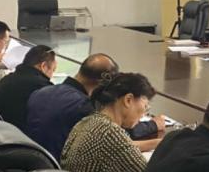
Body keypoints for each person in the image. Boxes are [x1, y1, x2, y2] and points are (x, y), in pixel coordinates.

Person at [25, 53, 161, 159]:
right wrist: (153, 126)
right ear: (105, 81)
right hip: (60, 168)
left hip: (38, 164)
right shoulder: (83, 106)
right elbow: (118, 138)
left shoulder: (40, 92)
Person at [61, 73, 157, 172]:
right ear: (128, 100)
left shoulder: (89, 121)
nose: (143, 114)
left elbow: (125, 147)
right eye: (145, 107)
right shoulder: (109, 132)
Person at [0, 44, 56, 130]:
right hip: (19, 134)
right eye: (53, 70)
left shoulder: (7, 79)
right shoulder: (43, 88)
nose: (52, 75)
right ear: (43, 66)